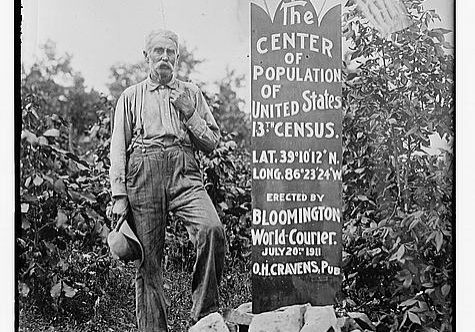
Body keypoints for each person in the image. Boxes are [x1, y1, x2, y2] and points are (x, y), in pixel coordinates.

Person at [109, 29, 226, 332]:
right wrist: (119, 196)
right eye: (157, 51)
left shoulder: (191, 92)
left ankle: (204, 317)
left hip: (183, 169)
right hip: (143, 170)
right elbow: (118, 149)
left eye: (170, 52)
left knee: (211, 229)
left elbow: (212, 141)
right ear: (145, 56)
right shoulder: (131, 96)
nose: (164, 58)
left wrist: (190, 114)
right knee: (148, 260)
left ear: (177, 57)